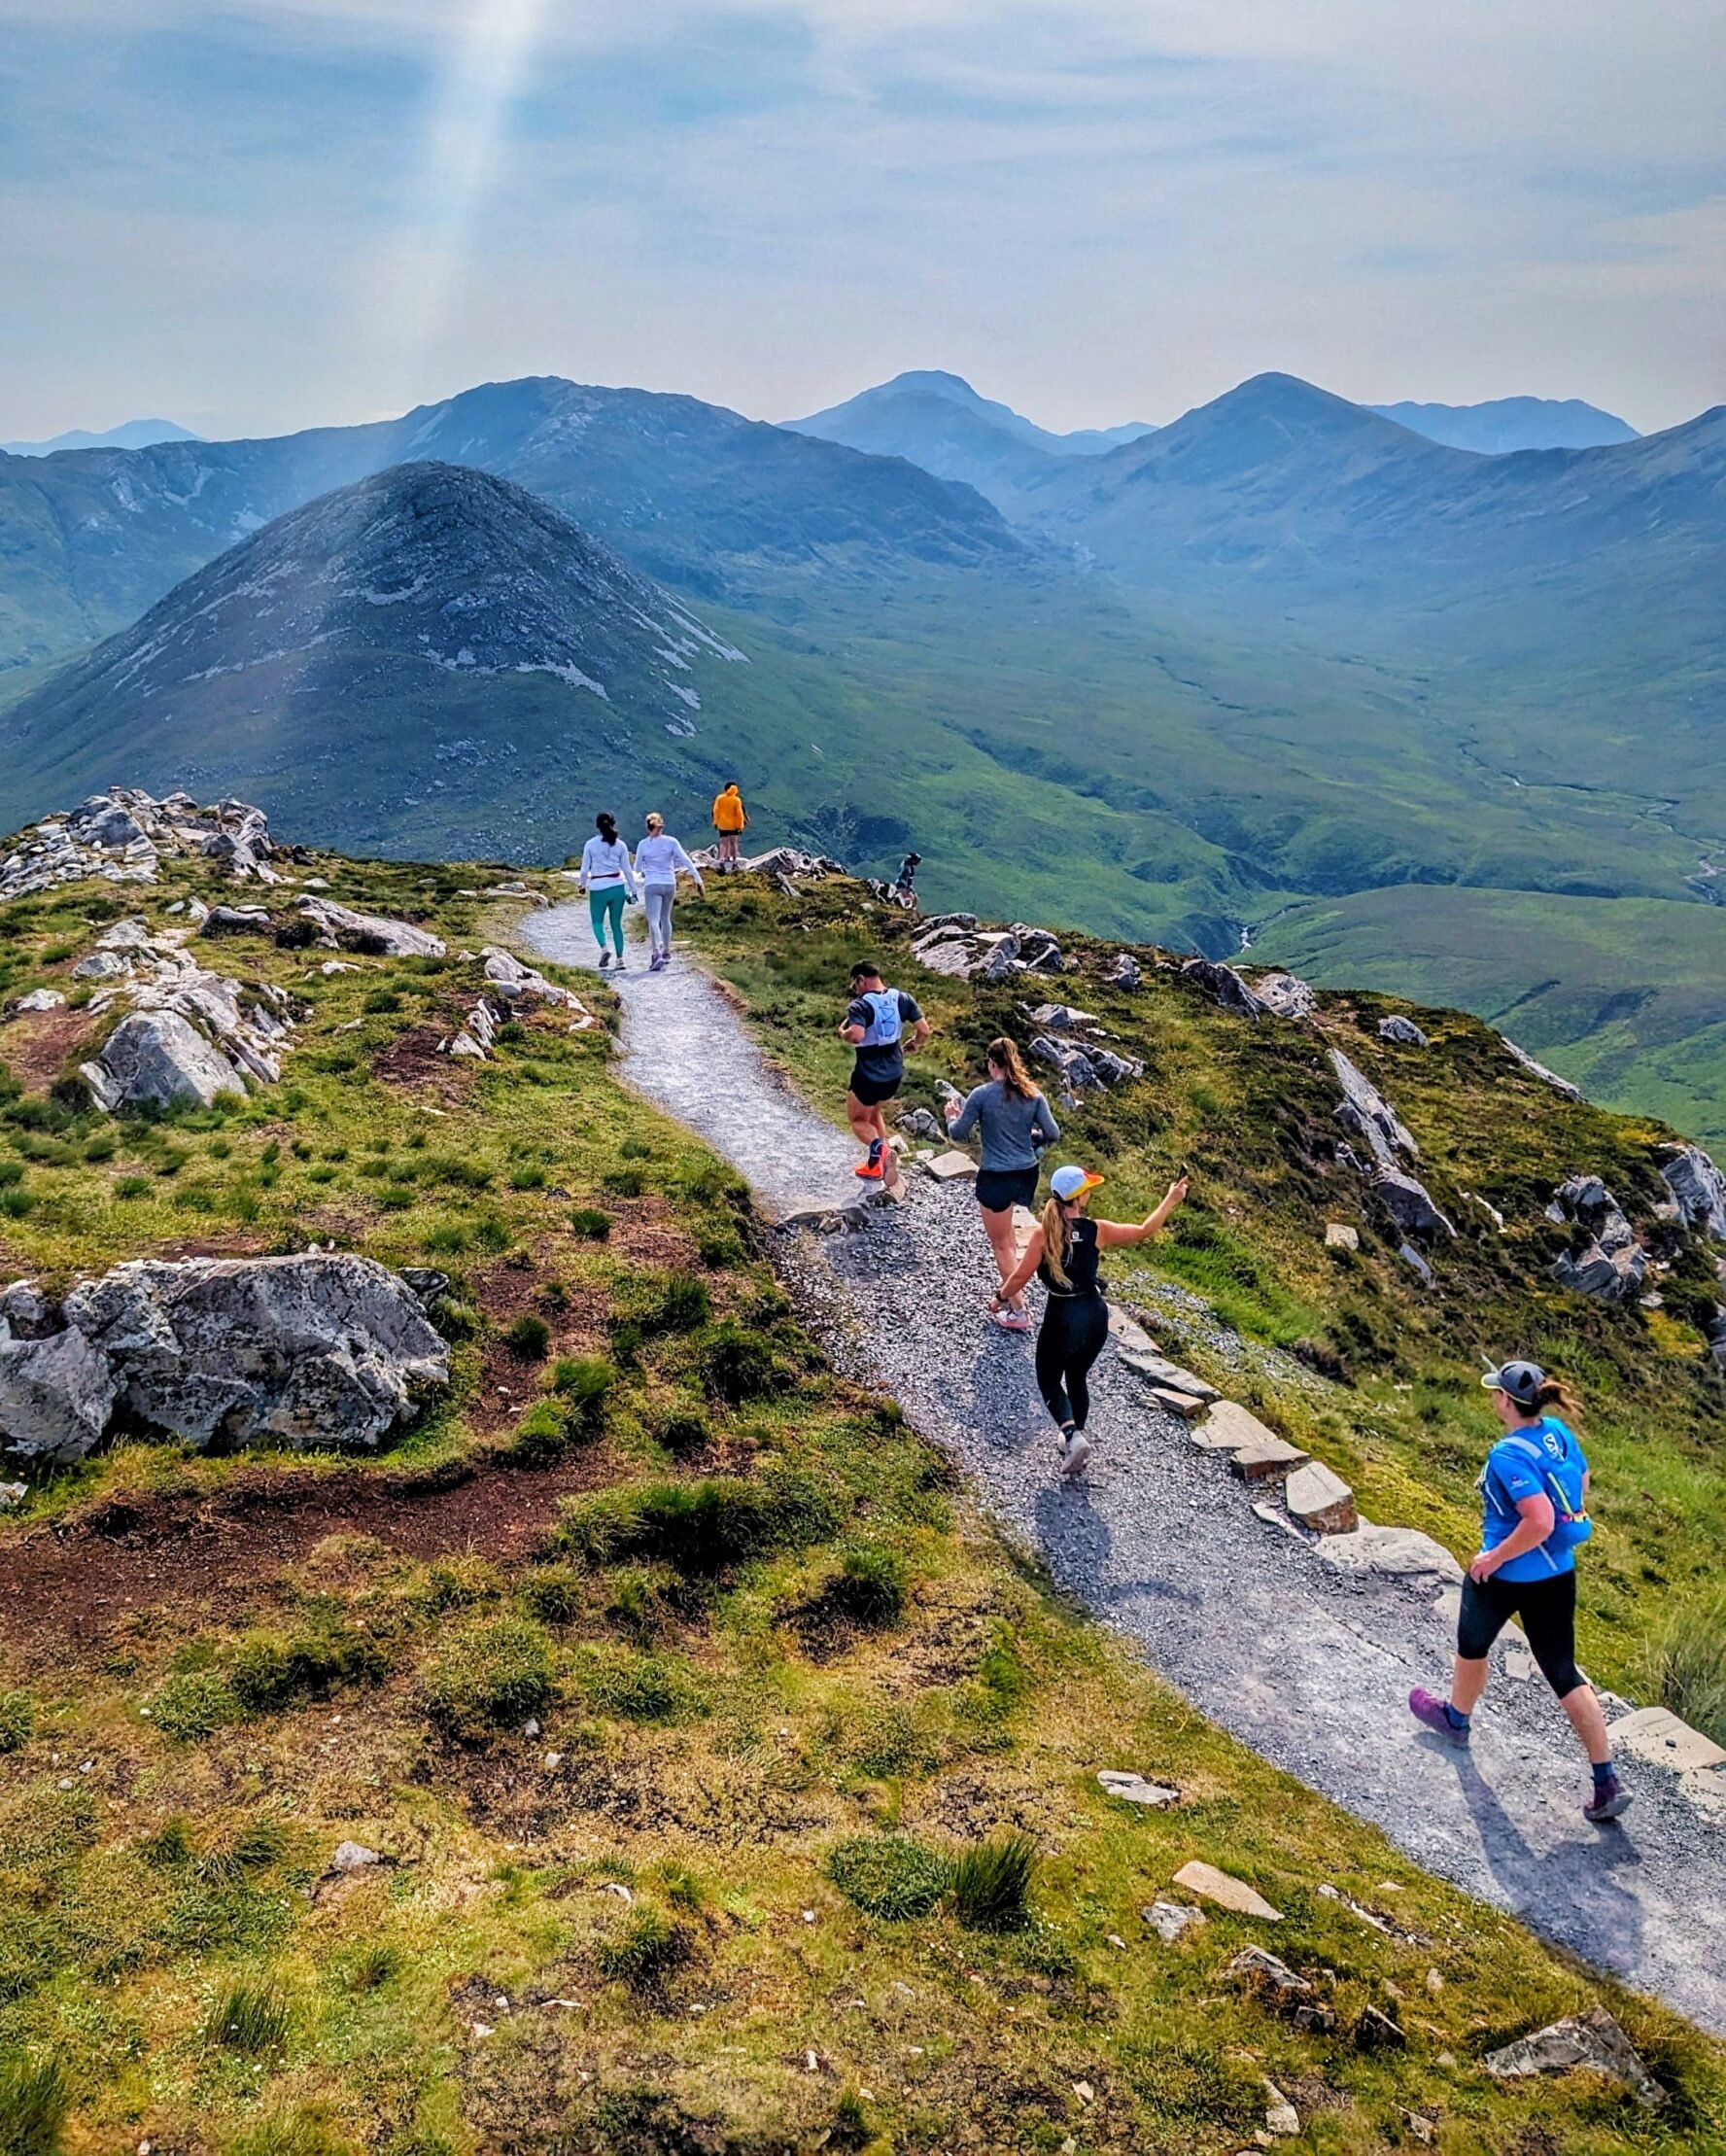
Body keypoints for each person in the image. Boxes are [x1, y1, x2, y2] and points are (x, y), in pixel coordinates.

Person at [1409, 1360, 1631, 1824]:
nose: (1493, 1398)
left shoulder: (1507, 1455)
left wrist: (1494, 1559)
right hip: (1558, 1574)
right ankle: (1606, 1779)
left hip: (1507, 1575)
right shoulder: (1558, 1433)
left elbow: (1540, 1520)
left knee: (1472, 1642)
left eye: (1496, 1393)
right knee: (1563, 1671)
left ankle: (1456, 1719)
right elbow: (1581, 1482)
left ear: (1507, 1401)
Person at [995, 1164, 1188, 1479]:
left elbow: (1019, 1277)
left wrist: (999, 1298)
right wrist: (1170, 1199)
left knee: (1047, 1378)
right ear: (1080, 1199)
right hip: (1096, 1315)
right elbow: (1143, 1231)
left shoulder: (1044, 1235)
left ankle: (1072, 1436)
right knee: (1077, 1373)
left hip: (1062, 1317)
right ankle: (1076, 1436)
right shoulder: (1097, 1230)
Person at [943, 1037, 1059, 1330]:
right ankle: (1016, 1291)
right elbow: (1052, 1133)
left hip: (995, 1174)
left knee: (1002, 1245)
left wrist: (951, 1116)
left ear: (991, 1063)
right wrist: (1036, 1150)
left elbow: (958, 1133)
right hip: (1026, 1173)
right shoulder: (1034, 1095)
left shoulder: (982, 1095)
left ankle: (1018, 1310)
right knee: (1008, 1237)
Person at [839, 960, 930, 1182]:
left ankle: (884, 1152)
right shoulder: (902, 998)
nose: (855, 990)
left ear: (861, 979)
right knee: (874, 1114)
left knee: (858, 1120)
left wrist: (843, 1033)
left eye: (855, 985)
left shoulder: (859, 1005)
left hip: (868, 1072)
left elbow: (857, 1035)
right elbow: (924, 1031)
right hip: (894, 1071)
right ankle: (877, 1166)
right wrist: (914, 1044)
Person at [635, 811, 705, 972]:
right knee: (666, 917)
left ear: (648, 827)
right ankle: (666, 951)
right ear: (661, 826)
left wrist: (646, 868)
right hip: (669, 883)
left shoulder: (643, 845)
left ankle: (656, 953)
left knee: (653, 920)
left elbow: (637, 868)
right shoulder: (671, 842)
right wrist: (697, 878)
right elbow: (686, 860)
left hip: (652, 884)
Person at [578, 811, 639, 970]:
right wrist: (634, 890)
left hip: (598, 887)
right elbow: (627, 870)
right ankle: (620, 960)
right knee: (616, 925)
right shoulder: (621, 845)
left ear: (598, 826)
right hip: (617, 887)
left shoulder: (590, 844)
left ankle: (605, 949)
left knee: (597, 922)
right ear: (613, 824)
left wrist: (582, 885)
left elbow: (585, 870)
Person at [712, 782, 747, 872]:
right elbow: (739, 814)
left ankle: (722, 859)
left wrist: (716, 822)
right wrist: (740, 826)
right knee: (733, 843)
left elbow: (716, 811)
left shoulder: (720, 798)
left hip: (722, 824)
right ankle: (734, 860)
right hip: (734, 825)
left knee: (723, 843)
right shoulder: (736, 800)